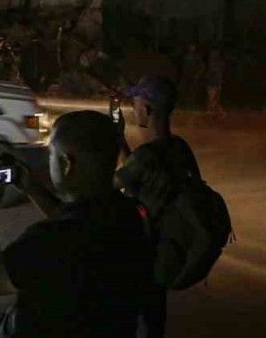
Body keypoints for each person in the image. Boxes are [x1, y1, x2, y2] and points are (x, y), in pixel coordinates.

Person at [0, 110, 152, 337]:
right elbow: (75, 220)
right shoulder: (128, 215)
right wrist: (30, 186)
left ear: (66, 163)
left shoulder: (48, 240)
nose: (49, 161)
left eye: (51, 154)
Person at [114, 76, 200, 338]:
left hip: (145, 253)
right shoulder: (180, 148)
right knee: (155, 319)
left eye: (135, 103)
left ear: (147, 109)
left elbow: (113, 183)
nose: (133, 108)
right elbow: (139, 174)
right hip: (168, 248)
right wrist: (121, 140)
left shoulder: (146, 157)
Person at [204, 47, 225, 116]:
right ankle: (210, 110)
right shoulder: (211, 64)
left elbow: (220, 73)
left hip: (217, 82)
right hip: (212, 83)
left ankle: (216, 110)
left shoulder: (219, 64)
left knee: (217, 98)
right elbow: (210, 73)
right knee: (211, 98)